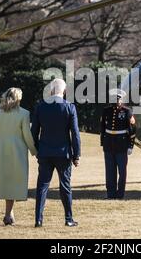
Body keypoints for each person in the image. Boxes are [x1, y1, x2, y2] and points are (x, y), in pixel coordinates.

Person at [0, 87, 37, 226]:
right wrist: (35, 151)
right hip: (18, 150)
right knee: (15, 180)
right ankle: (8, 213)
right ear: (19, 98)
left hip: (1, 149)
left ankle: (9, 213)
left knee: (6, 180)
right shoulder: (24, 113)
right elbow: (27, 135)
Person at [31, 78, 81, 228]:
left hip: (45, 152)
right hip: (63, 152)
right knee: (65, 186)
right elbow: (75, 133)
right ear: (64, 91)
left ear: (51, 90)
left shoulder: (40, 107)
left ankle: (38, 220)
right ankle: (68, 218)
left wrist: (37, 149)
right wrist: (76, 154)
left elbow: (34, 132)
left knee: (42, 186)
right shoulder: (69, 107)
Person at [100, 89, 136, 200]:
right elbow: (102, 127)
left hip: (122, 144)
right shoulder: (106, 111)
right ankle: (111, 194)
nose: (117, 101)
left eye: (118, 99)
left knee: (122, 171)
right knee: (110, 171)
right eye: (115, 99)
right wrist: (103, 142)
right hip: (109, 143)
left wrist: (130, 145)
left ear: (121, 99)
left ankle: (120, 194)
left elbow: (132, 129)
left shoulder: (126, 111)